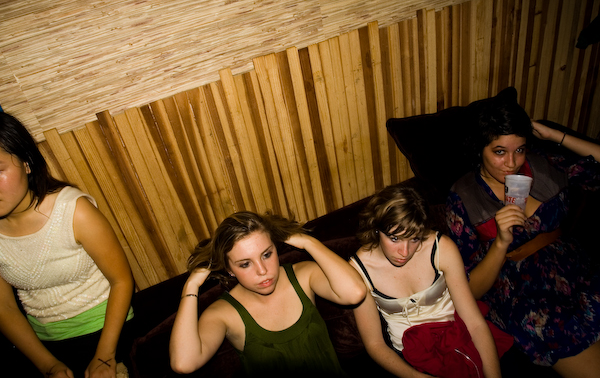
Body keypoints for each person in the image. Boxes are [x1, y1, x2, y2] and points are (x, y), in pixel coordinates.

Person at [445, 98, 600, 378]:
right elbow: (469, 290)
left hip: (575, 268)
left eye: (519, 149)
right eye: (499, 151)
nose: (512, 163)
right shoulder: (464, 196)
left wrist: (555, 135)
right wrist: (501, 243)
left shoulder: (542, 163)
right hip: (527, 295)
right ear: (479, 149)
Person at [0, 112, 134, 378]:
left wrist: (105, 356)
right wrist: (47, 365)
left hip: (104, 328)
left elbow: (121, 280)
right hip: (42, 341)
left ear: (27, 164)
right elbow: (4, 307)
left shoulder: (74, 211)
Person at [169, 211, 367, 377]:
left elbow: (355, 293)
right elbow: (184, 363)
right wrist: (191, 286)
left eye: (266, 254)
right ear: (229, 269)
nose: (262, 270)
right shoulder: (223, 313)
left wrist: (309, 243)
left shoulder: (303, 275)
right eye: (245, 264)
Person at [350, 184, 506, 378]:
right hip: (409, 358)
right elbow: (375, 344)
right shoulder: (359, 269)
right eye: (395, 238)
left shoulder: (440, 248)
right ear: (376, 229)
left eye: (414, 239)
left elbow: (474, 322)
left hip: (458, 337)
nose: (405, 252)